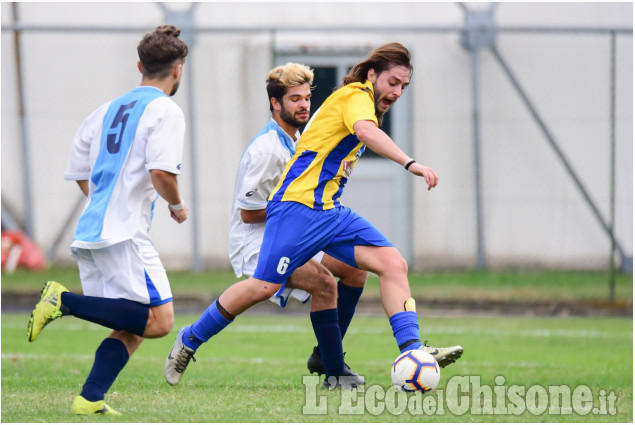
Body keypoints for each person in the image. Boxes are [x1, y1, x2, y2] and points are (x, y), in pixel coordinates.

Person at [165, 42, 463, 390]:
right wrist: (410, 162)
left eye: (403, 87)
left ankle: (408, 351)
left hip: (329, 212)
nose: (397, 92)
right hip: (297, 210)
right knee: (263, 286)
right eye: (393, 83)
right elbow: (365, 131)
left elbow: (342, 144)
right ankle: (190, 338)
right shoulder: (356, 95)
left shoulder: (356, 108)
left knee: (390, 264)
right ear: (372, 75)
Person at [165, 63, 368, 388]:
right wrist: (302, 212)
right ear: (275, 103)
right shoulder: (267, 150)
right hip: (256, 241)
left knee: (356, 268)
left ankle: (326, 357)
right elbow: (248, 213)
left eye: (306, 98)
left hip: (292, 233)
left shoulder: (299, 139)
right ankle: (191, 338)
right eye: (294, 99)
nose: (303, 105)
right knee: (322, 285)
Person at [27, 25, 189, 415]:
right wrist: (177, 206)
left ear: (140, 65)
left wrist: (108, 199)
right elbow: (162, 174)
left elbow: (81, 173)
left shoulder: (105, 109)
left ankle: (90, 398)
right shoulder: (166, 110)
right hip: (124, 233)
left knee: (133, 325)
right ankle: (61, 300)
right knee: (160, 321)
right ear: (178, 70)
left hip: (93, 229)